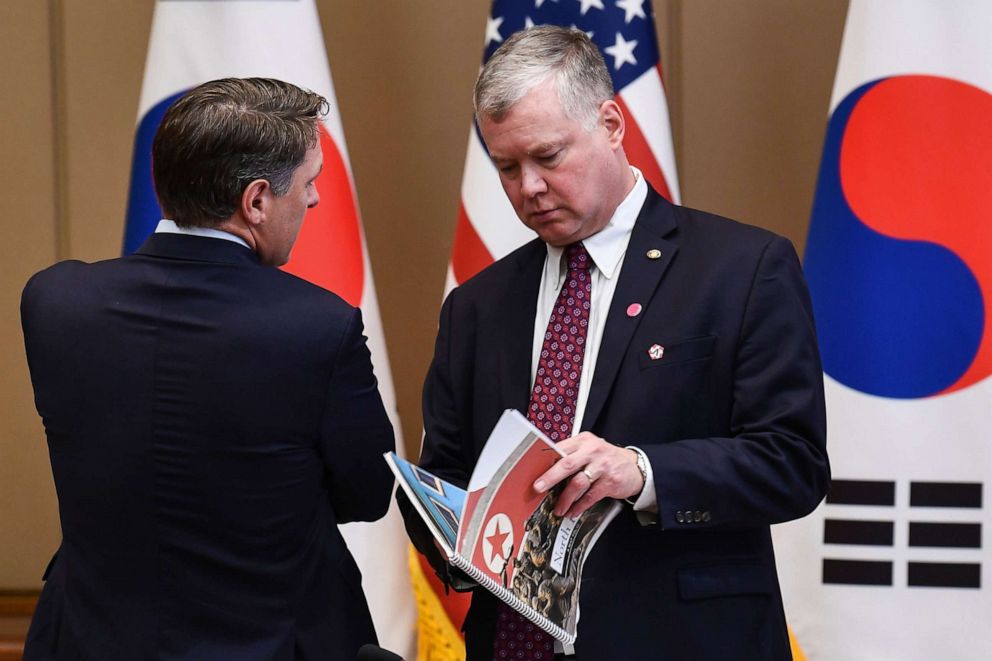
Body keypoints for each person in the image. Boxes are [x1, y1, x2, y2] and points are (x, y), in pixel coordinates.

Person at [401, 27, 829, 660]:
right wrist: (452, 530)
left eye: (548, 157)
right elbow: (443, 477)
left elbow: (792, 463)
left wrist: (643, 471)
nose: (530, 189)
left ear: (610, 122)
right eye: (507, 168)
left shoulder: (742, 269)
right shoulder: (476, 306)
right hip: (512, 645)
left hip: (678, 641)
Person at [20, 77, 396, 660]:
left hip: (90, 641)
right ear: (256, 201)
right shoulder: (318, 326)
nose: (315, 199)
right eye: (309, 182)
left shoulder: (53, 302)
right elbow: (367, 493)